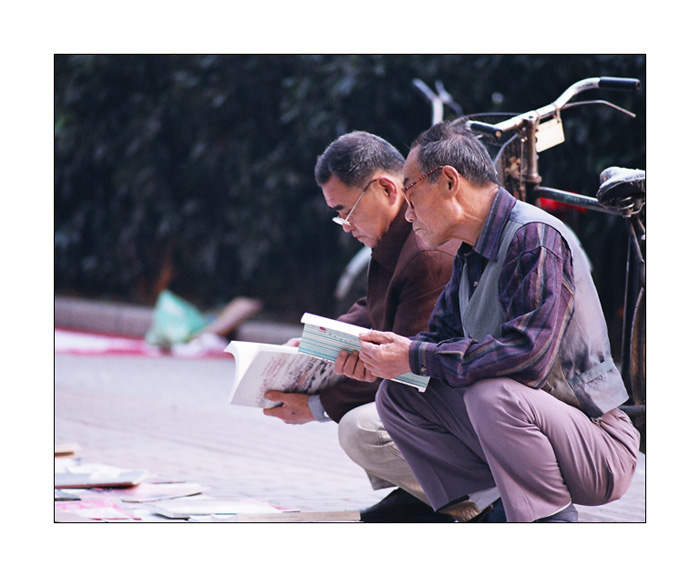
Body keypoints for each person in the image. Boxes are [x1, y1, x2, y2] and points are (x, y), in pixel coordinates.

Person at [355, 121, 640, 522]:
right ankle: (486, 507)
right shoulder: (469, 254)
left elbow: (528, 356)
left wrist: (416, 356)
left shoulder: (534, 237)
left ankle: (550, 520)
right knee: (400, 394)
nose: (408, 213)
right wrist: (381, 359)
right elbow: (436, 342)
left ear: (449, 181)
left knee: (490, 395)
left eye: (412, 193)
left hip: (598, 444)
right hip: (533, 432)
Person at [262, 131, 462, 522]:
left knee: (361, 428)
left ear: (387, 189)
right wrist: (313, 343)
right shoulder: (395, 237)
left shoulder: (426, 249)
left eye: (347, 210)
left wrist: (318, 405)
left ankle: (473, 501)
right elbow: (374, 310)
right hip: (444, 396)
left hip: (461, 402)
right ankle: (426, 497)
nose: (345, 225)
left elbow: (406, 369)